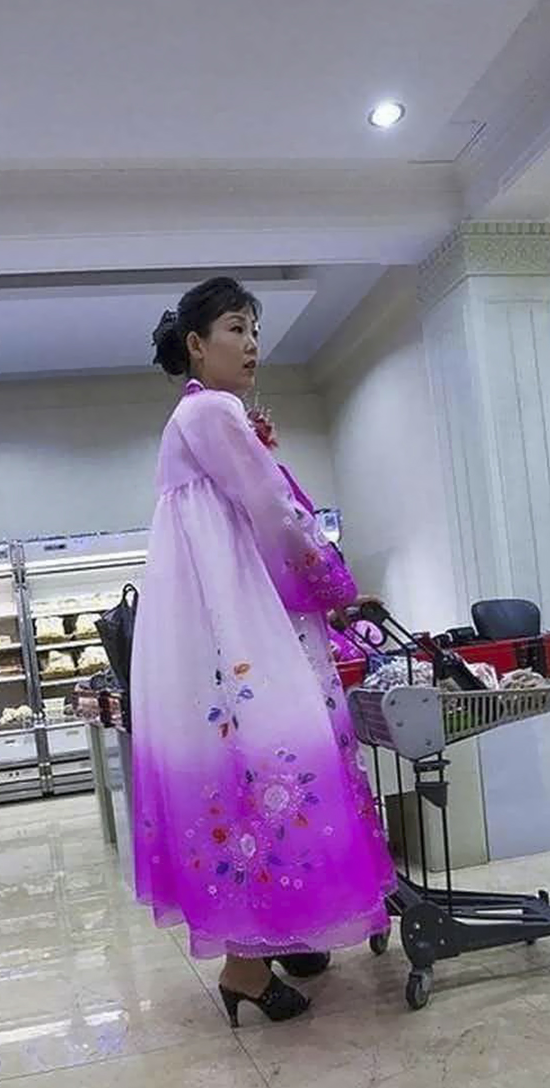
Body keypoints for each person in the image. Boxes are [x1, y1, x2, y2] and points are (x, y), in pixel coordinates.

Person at [131, 277, 395, 1025]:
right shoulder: (212, 411)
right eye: (235, 329)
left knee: (250, 773)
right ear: (196, 344)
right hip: (238, 629)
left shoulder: (199, 415)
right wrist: (334, 584)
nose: (251, 345)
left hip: (219, 627)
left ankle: (280, 931)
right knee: (266, 770)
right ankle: (245, 967)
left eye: (254, 330)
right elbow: (274, 512)